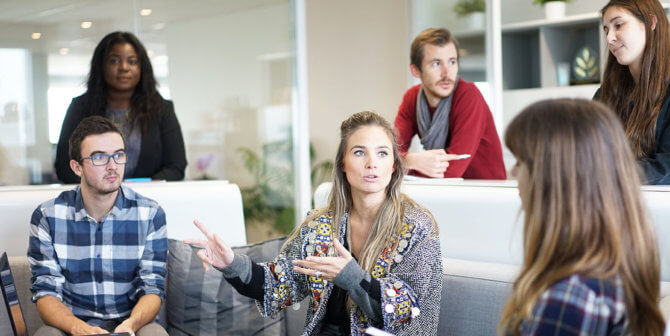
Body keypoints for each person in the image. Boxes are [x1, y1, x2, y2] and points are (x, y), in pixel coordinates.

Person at [185, 111, 442, 335]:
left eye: (382, 153)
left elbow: (408, 310)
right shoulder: (320, 225)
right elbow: (279, 284)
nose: (371, 163)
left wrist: (352, 278)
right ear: (343, 163)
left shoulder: (418, 226)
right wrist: (232, 264)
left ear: (394, 165)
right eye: (359, 152)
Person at [500, 99, 665, 335]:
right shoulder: (613, 273)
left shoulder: (569, 300)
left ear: (553, 178)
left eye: (520, 162)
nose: (513, 173)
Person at [29, 116, 168, 335]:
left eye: (119, 155)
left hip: (131, 324)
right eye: (100, 157)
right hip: (72, 325)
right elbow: (46, 294)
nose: (113, 166)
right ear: (77, 167)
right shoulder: (47, 216)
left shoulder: (150, 214)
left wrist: (129, 327)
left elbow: (152, 287)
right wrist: (81, 329)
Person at [595, 0, 670, 276]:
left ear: (651, 23)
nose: (610, 37)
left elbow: (666, 169)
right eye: (606, 28)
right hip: (619, 222)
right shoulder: (607, 94)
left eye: (619, 25)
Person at [55, 31, 187, 184]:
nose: (124, 68)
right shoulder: (80, 108)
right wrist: (104, 188)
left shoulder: (162, 109)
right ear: (101, 65)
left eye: (132, 62)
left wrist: (137, 189)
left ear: (142, 68)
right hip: (94, 202)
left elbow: (176, 167)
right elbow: (64, 168)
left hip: (148, 201)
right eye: (114, 61)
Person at [394, 27, 506, 179]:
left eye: (452, 62)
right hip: (445, 192)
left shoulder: (468, 95)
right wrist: (411, 160)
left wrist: (404, 163)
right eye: (436, 64)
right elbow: (388, 155)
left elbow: (452, 171)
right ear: (416, 71)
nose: (447, 73)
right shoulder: (412, 98)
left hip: (485, 194)